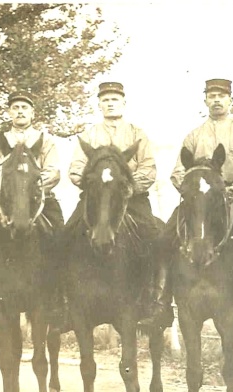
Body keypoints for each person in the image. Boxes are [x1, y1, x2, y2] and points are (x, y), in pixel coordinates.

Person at [151, 79, 233, 318]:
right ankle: (163, 299)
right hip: (201, 199)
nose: (217, 100)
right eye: (212, 95)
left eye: (222, 96)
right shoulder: (194, 136)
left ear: (230, 100)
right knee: (165, 236)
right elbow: (177, 172)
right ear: (205, 100)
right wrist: (191, 190)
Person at [67, 81, 170, 326]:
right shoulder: (89, 135)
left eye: (115, 99)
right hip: (95, 199)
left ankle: (155, 300)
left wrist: (128, 188)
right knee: (66, 233)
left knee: (154, 236)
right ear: (99, 105)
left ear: (123, 103)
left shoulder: (137, 134)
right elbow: (76, 168)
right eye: (105, 99)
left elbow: (148, 168)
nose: (110, 103)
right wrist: (91, 184)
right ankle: (64, 302)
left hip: (130, 198)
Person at [0, 91, 65, 301]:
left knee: (60, 231)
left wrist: (34, 189)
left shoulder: (44, 140)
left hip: (39, 198)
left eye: (24, 108)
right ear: (9, 112)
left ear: (32, 113)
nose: (20, 112)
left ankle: (59, 289)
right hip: (5, 198)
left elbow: (53, 171)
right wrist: (7, 190)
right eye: (15, 108)